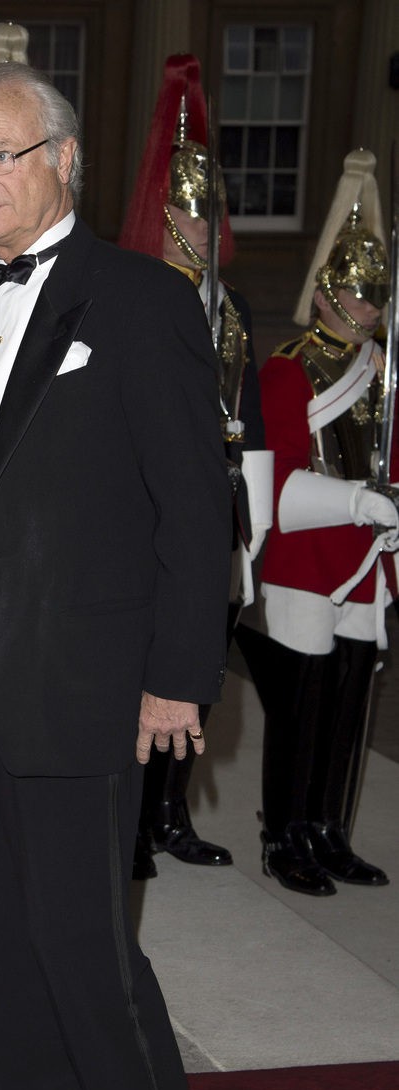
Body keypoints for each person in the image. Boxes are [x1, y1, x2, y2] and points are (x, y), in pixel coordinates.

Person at [0, 60, 231, 1090]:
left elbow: (196, 513)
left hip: (90, 677)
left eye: (0, 155)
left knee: (82, 932)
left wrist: (177, 674)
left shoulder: (140, 300)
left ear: (62, 161)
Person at [119, 54, 272, 881]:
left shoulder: (234, 308)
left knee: (203, 654)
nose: (201, 224)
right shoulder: (141, 294)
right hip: (153, 499)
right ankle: (137, 815)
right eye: (185, 209)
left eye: (208, 210)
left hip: (222, 491)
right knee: (154, 655)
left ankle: (176, 807)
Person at [236, 149, 396, 896]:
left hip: (366, 561)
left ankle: (329, 829)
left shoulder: (380, 372)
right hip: (305, 559)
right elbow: (281, 480)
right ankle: (285, 834)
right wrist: (359, 502)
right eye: (360, 297)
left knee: (347, 705)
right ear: (330, 292)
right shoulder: (289, 368)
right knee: (300, 709)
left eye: (376, 299)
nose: (368, 311)